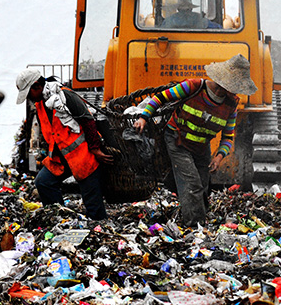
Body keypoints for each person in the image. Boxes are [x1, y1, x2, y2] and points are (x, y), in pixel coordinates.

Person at [133, 54, 256, 227]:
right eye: (236, 87)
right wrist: (144, 117)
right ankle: (194, 227)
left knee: (203, 184)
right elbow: (160, 98)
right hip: (177, 140)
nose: (237, 91)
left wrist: (218, 157)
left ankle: (201, 218)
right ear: (224, 84)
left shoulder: (231, 104)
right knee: (192, 184)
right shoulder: (194, 87)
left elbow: (228, 137)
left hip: (201, 146)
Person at [15, 70, 113, 220]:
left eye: (29, 93)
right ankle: (58, 218)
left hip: (83, 155)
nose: (29, 97)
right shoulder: (40, 104)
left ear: (37, 86)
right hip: (61, 157)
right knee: (43, 182)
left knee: (93, 204)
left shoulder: (65, 96)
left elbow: (88, 120)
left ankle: (99, 225)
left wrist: (95, 149)